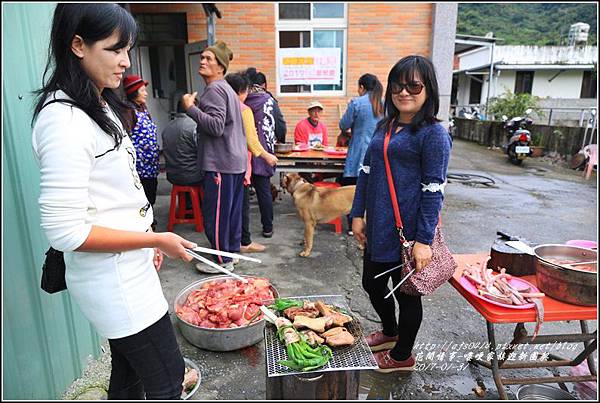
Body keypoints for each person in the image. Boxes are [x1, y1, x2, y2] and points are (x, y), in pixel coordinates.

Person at [31, 4, 197, 399]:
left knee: (130, 374)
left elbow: (115, 193)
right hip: (112, 281)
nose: (125, 62)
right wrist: (153, 241)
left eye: (128, 50)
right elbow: (65, 230)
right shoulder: (64, 120)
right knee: (167, 380)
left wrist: (147, 235)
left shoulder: (97, 102)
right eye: (114, 49)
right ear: (77, 45)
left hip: (127, 269)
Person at [350, 55, 452, 372]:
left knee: (408, 295)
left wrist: (423, 241)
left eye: (414, 85)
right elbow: (366, 171)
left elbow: (433, 190)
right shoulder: (387, 126)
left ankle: (402, 355)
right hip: (379, 226)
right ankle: (390, 331)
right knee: (372, 283)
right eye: (398, 85)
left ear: (428, 89)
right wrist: (357, 214)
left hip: (408, 234)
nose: (404, 92)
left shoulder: (433, 134)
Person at [181, 41, 247, 273]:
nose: (202, 61)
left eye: (209, 59)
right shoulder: (227, 89)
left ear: (221, 67)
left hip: (221, 162)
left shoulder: (215, 89)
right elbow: (223, 121)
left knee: (217, 215)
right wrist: (199, 107)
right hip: (235, 162)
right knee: (231, 213)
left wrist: (190, 108)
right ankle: (232, 254)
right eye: (202, 57)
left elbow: (217, 126)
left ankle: (221, 261)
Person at [224, 72, 278, 252]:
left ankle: (228, 242)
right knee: (242, 205)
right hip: (240, 163)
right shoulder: (243, 109)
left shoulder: (219, 105)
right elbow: (252, 140)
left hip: (222, 164)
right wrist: (267, 156)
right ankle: (243, 243)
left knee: (228, 205)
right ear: (241, 90)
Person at [338, 73, 384, 234]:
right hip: (380, 154)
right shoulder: (384, 103)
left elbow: (343, 125)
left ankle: (352, 226)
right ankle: (373, 225)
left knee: (354, 190)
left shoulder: (357, 103)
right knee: (376, 191)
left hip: (359, 153)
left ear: (362, 87)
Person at [243, 68, 280, 238]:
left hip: (242, 151)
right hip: (264, 150)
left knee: (242, 196)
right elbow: (280, 124)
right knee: (263, 190)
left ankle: (243, 233)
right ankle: (268, 227)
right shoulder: (269, 100)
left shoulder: (242, 100)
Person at [123, 74, 160, 229]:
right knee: (143, 194)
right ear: (133, 92)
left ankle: (149, 217)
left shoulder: (143, 109)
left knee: (151, 192)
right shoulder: (128, 111)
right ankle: (145, 223)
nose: (146, 93)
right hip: (140, 165)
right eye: (142, 90)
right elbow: (127, 137)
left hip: (151, 164)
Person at [161, 96, 203, 210]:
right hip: (193, 176)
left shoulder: (167, 127)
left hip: (172, 176)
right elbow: (201, 151)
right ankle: (201, 208)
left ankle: (188, 205)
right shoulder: (194, 126)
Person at [245, 67, 287, 143]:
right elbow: (280, 125)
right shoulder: (269, 101)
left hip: (244, 147)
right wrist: (281, 141)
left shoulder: (242, 98)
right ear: (264, 85)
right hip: (266, 146)